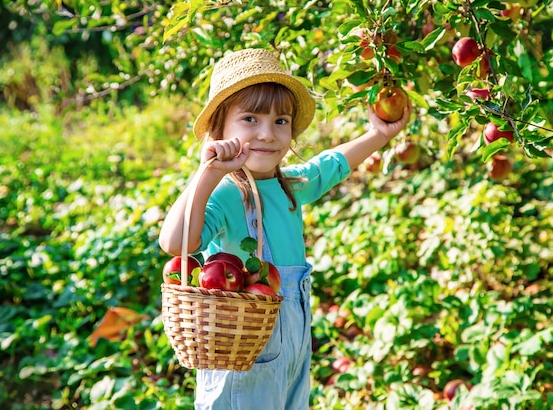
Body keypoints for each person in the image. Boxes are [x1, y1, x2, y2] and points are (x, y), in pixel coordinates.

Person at [158, 48, 412, 410]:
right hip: (241, 353)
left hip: (293, 348)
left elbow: (332, 164)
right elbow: (174, 242)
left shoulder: (290, 183)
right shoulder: (227, 193)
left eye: (281, 121)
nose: (267, 134)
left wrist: (379, 135)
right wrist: (209, 172)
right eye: (250, 118)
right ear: (220, 129)